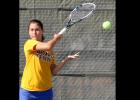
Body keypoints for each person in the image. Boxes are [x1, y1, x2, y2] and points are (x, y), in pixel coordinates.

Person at [19, 19, 79, 100]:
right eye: (31, 30)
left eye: (37, 29)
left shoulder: (50, 51)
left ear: (42, 31)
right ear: (29, 32)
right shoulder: (29, 43)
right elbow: (48, 45)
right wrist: (56, 39)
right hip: (28, 91)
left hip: (46, 92)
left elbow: (54, 71)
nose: (34, 32)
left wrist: (66, 59)